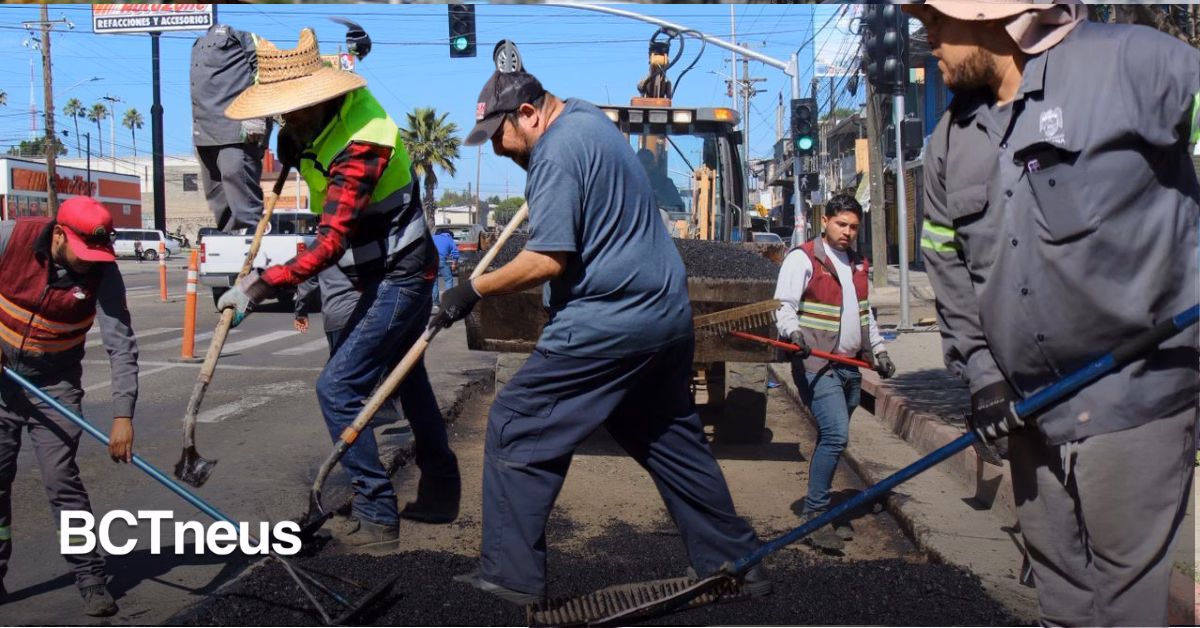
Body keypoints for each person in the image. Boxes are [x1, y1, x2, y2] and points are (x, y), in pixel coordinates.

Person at [904, 2, 1199, 625]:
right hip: (1027, 412)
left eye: (936, 18)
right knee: (1061, 600)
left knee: (1126, 609)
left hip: (1133, 397)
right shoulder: (949, 141)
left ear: (990, 13)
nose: (925, 35)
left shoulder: (1129, 64)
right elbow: (945, 259)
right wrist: (982, 373)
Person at [433, 69, 768, 605]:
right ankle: (735, 560)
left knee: (517, 424)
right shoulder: (589, 118)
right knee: (672, 441)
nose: (497, 149)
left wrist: (471, 290)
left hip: (610, 323)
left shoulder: (558, 152)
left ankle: (509, 580)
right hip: (664, 319)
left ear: (528, 113)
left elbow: (546, 259)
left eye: (500, 134)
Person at [219, 29, 459, 545]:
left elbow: (328, 244)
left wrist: (258, 289)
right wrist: (291, 140)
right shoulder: (314, 123)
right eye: (283, 112)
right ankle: (441, 487)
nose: (290, 120)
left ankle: (377, 515)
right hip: (374, 268)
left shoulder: (363, 143)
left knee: (337, 388)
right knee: (405, 379)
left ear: (324, 97)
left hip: (403, 272)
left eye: (296, 111)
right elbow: (303, 137)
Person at [0, 197, 139, 617]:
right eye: (81, 254)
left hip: (56, 386)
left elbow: (121, 346)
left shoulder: (103, 273)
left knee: (62, 481)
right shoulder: (10, 238)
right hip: (3, 384)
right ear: (58, 234)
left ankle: (90, 577)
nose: (87, 263)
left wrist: (122, 416)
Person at [773, 193, 895, 551]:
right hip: (816, 363)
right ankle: (814, 517)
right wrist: (793, 333)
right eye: (841, 224)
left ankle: (821, 510)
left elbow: (864, 314)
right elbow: (784, 305)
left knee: (833, 438)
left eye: (854, 226)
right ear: (824, 221)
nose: (847, 232)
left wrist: (881, 351)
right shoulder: (804, 258)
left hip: (849, 367)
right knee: (836, 434)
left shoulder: (857, 263)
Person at [191, 23, 273, 233]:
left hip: (235, 132)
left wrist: (256, 114)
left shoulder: (239, 33)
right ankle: (230, 247)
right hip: (204, 134)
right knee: (219, 200)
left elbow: (266, 67)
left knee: (244, 203)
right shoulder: (199, 42)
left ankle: (252, 250)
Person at [430, 229, 458, 311]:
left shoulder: (432, 238)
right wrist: (454, 263)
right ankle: (448, 302)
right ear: (449, 235)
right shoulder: (449, 239)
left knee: (434, 281)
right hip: (441, 260)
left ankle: (436, 303)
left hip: (430, 261)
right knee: (448, 279)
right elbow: (455, 253)